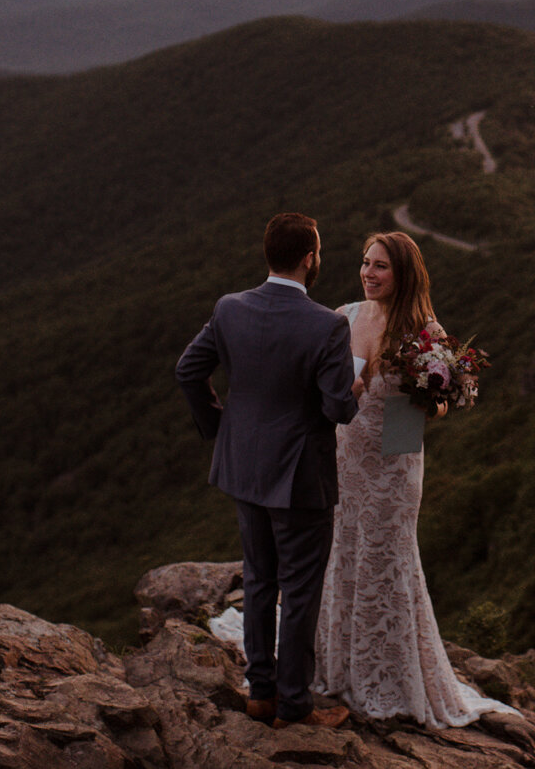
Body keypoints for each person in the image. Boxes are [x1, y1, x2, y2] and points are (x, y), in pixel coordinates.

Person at [313, 230, 506, 727]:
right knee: (343, 554)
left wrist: (432, 397)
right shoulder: (343, 316)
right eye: (364, 262)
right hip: (343, 458)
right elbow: (316, 383)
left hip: (394, 467)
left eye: (380, 266)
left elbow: (439, 406)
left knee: (385, 562)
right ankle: (339, 668)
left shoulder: (425, 331)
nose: (368, 273)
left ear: (403, 273)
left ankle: (389, 676)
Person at [176, 213, 358, 730]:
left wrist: (222, 427)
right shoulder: (327, 324)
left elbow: (188, 370)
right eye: (318, 251)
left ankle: (260, 693)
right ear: (309, 258)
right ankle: (296, 705)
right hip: (300, 477)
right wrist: (356, 389)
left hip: (243, 467)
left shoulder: (230, 308)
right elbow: (338, 410)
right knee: (299, 590)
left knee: (259, 580)